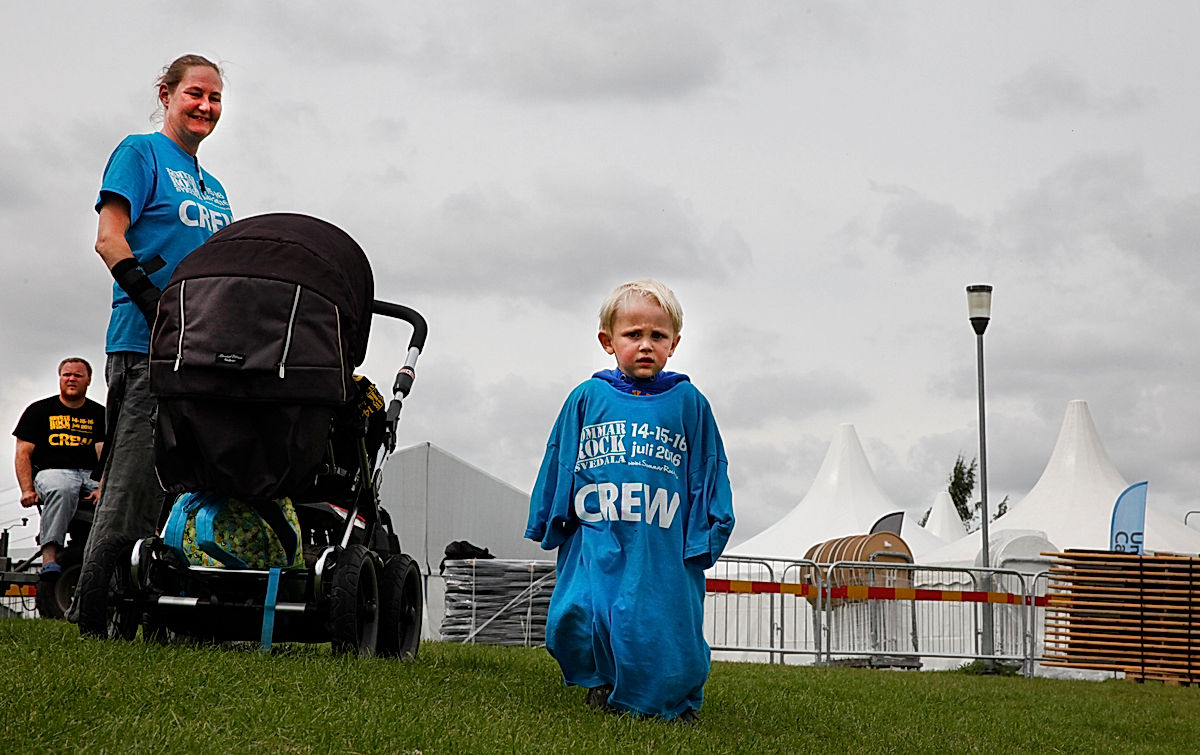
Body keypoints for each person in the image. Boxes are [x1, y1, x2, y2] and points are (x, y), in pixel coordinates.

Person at [69, 54, 233, 625]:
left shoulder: (215, 189)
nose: (205, 107)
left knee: (187, 485)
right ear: (166, 94)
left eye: (214, 99)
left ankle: (164, 609)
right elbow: (109, 238)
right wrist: (155, 305)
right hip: (145, 345)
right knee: (134, 481)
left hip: (204, 352)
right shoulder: (141, 153)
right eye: (195, 94)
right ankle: (101, 611)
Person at [524, 279, 735, 722]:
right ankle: (602, 679)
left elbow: (708, 469)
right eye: (633, 334)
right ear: (608, 341)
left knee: (657, 621)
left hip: (660, 539)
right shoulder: (587, 398)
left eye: (657, 336)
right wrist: (550, 517)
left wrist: (708, 533)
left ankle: (675, 700)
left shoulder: (689, 403)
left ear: (674, 344)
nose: (645, 345)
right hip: (596, 532)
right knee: (578, 613)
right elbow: (560, 458)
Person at [13, 358, 106, 576]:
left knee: (116, 497)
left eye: (78, 375)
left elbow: (105, 455)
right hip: (53, 472)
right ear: (60, 378)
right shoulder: (39, 411)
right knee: (63, 488)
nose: (72, 379)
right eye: (67, 374)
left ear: (88, 380)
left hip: (90, 474)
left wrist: (103, 486)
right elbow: (23, 453)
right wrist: (27, 490)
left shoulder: (99, 414)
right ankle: (49, 557)